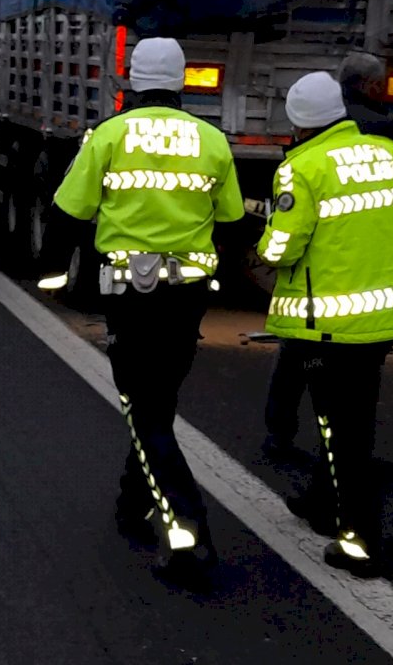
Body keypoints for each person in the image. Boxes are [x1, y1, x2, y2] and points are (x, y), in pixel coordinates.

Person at [42, 37, 244, 589]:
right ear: (180, 81)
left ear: (129, 80)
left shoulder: (108, 135)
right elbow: (230, 222)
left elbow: (68, 211)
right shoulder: (212, 140)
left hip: (131, 293)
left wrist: (55, 269)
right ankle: (132, 503)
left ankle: (189, 536)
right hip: (189, 295)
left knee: (145, 409)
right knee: (159, 401)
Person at [256, 71, 393, 577]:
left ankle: (360, 541)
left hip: (327, 325)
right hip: (382, 318)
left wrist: (262, 244)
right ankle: (320, 504)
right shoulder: (392, 155)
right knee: (347, 418)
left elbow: (282, 246)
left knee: (344, 429)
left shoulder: (301, 168)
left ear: (297, 123)